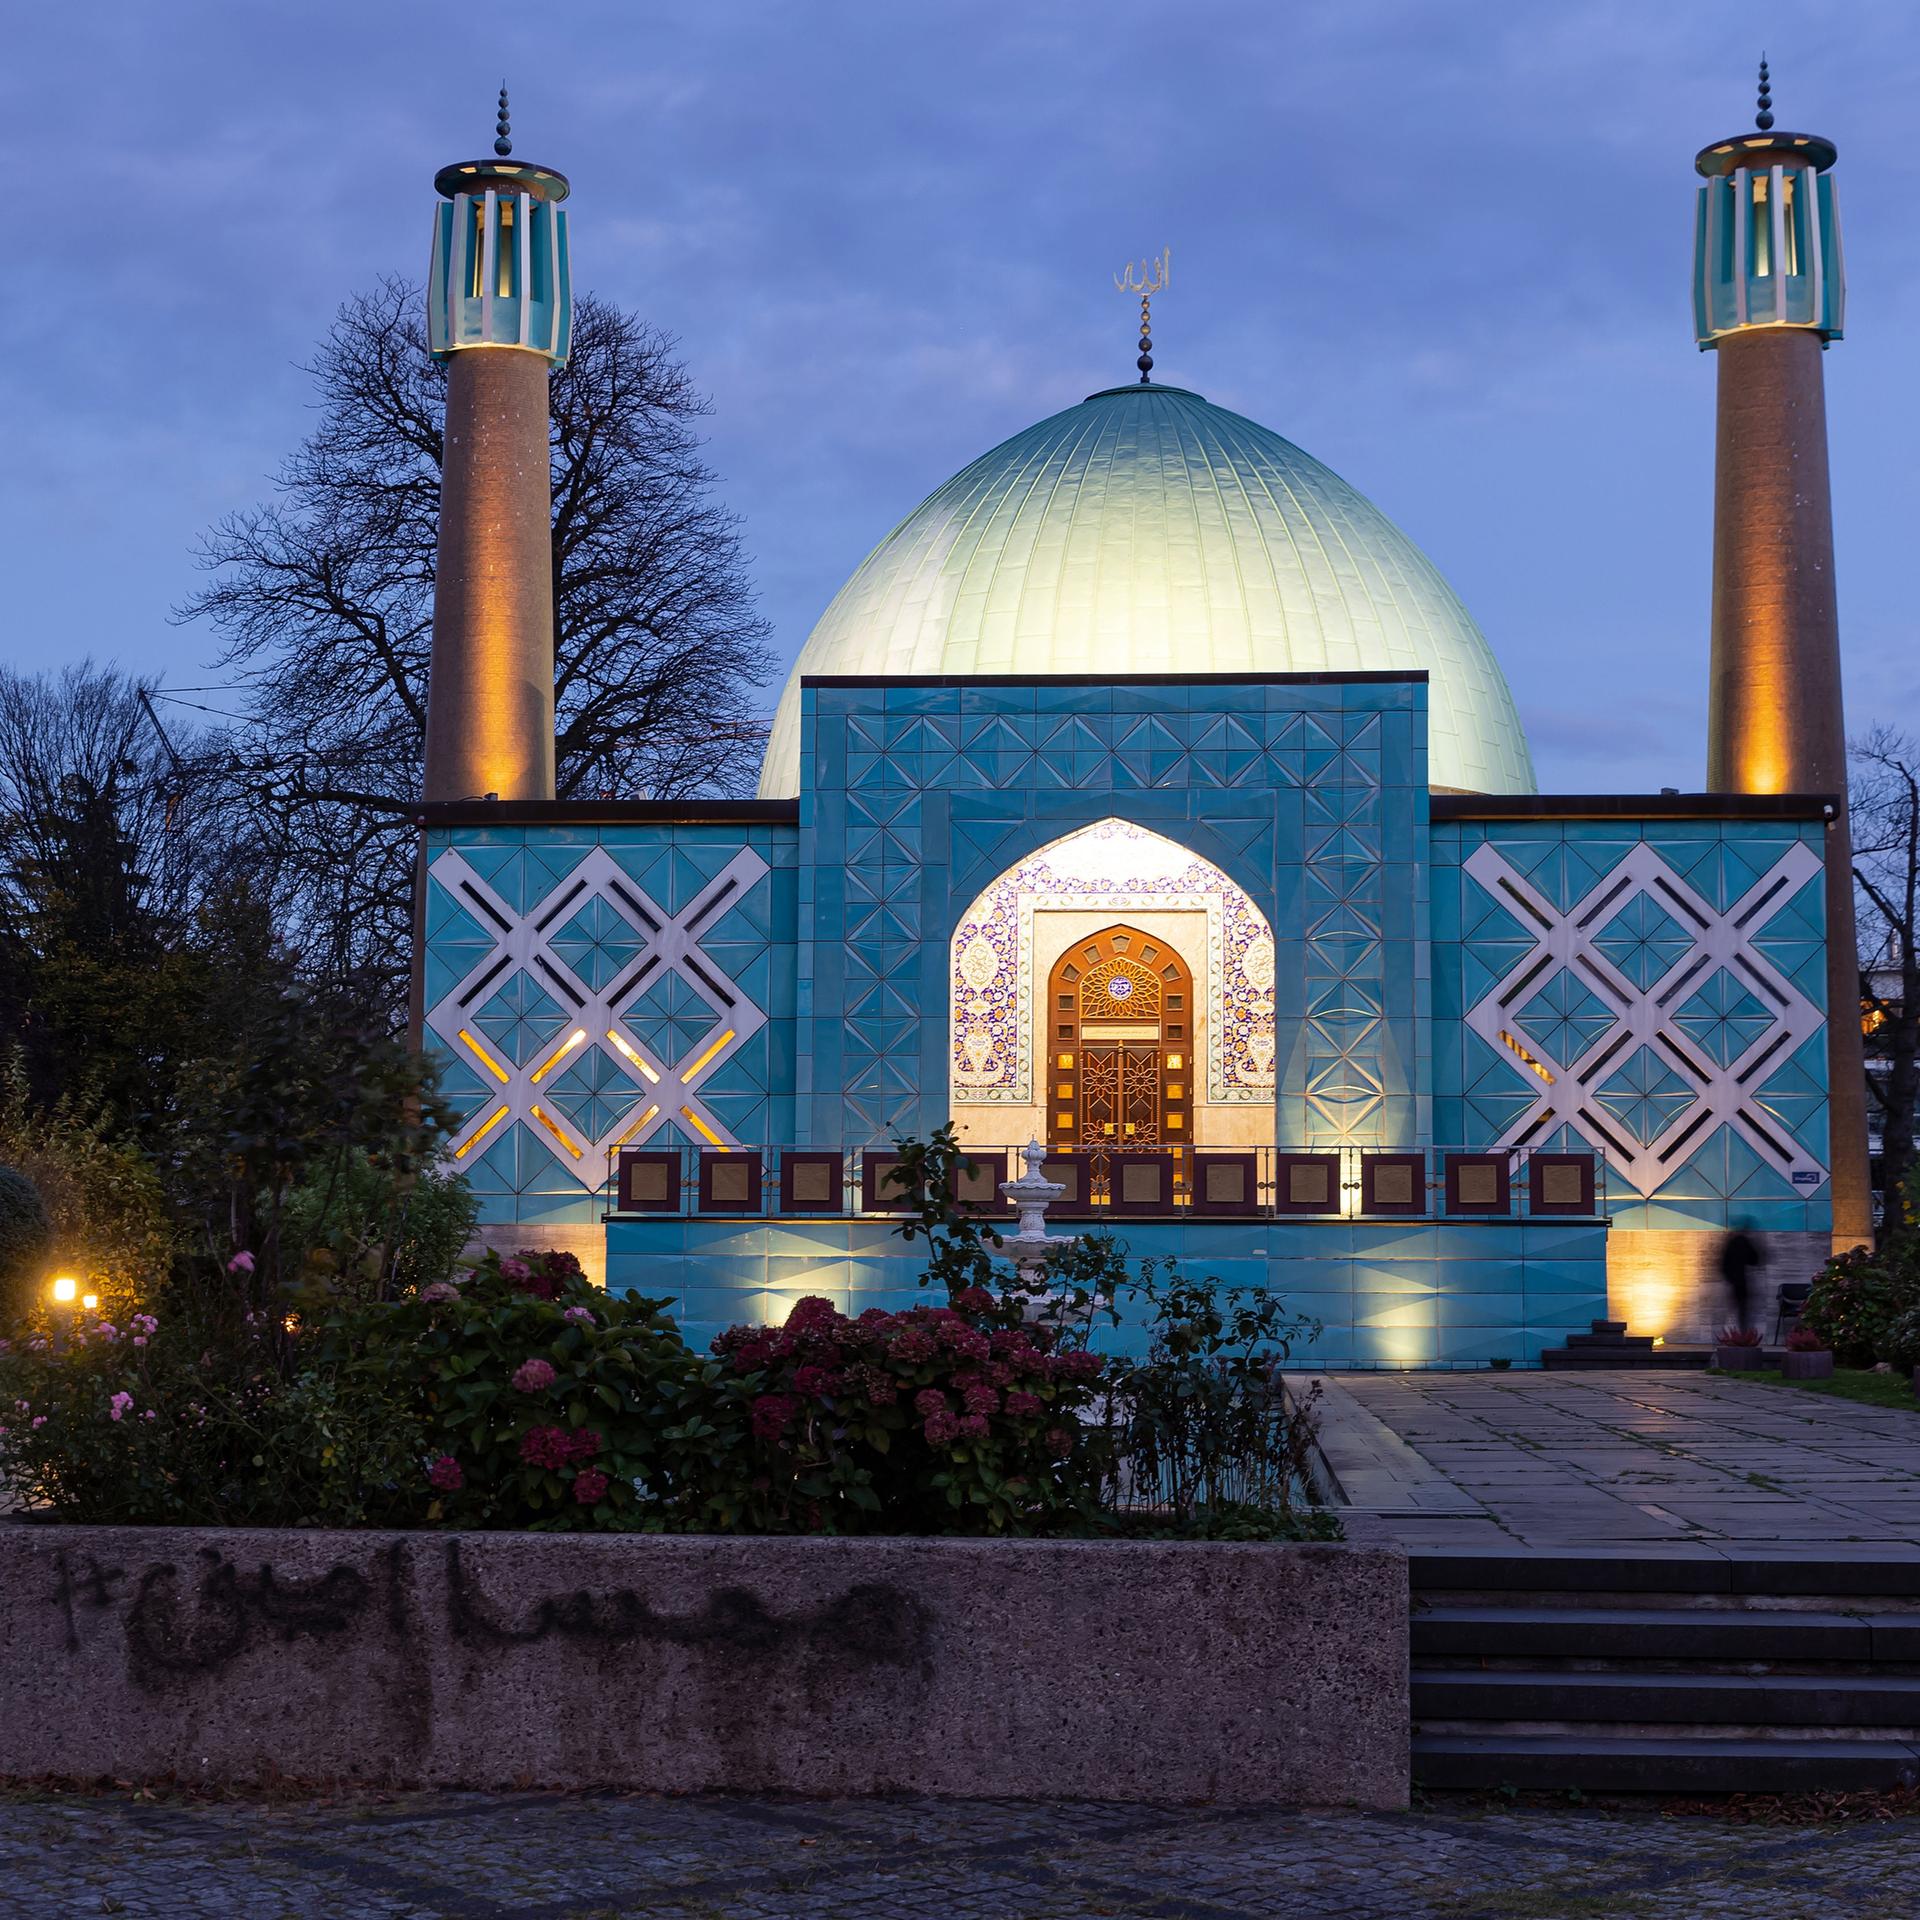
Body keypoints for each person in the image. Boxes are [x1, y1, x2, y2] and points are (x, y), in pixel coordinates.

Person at [1718, 1222, 1763, 1335]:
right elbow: (1754, 1260)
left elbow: (1723, 1264)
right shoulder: (1743, 1242)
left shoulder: (1731, 1242)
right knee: (1743, 1312)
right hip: (1742, 1282)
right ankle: (1743, 1336)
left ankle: (1730, 1336)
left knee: (1734, 1311)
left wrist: (1729, 1279)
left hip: (1734, 1282)